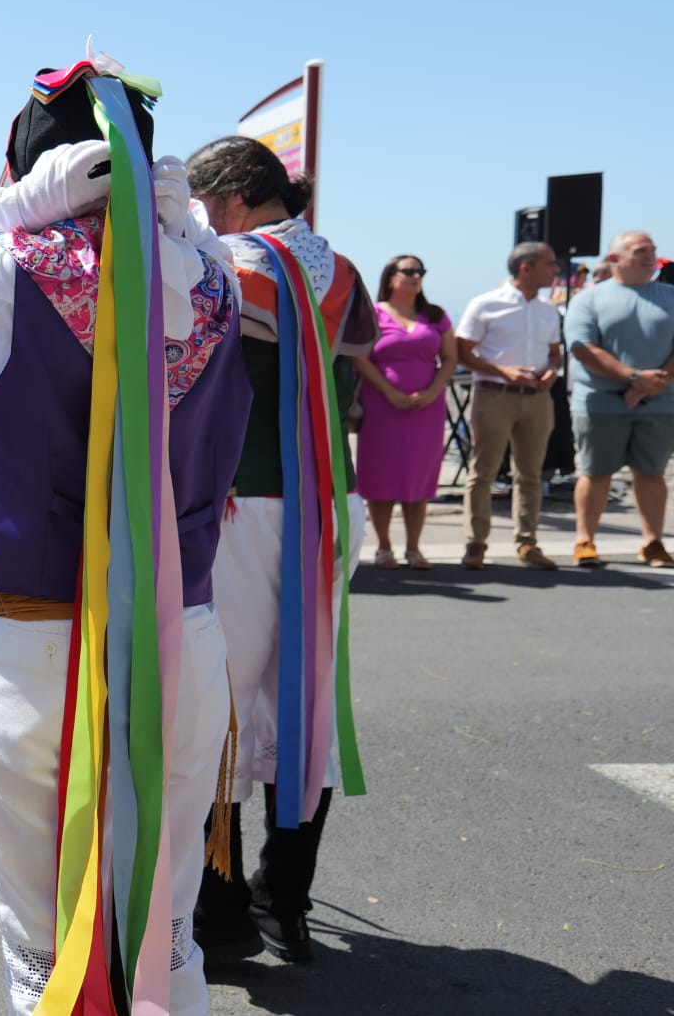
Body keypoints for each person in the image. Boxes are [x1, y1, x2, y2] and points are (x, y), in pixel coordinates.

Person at [0, 59, 249, 1014]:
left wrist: (19, 206)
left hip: (34, 646)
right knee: (164, 930)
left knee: (46, 950)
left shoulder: (4, 274)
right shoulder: (212, 281)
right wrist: (179, 217)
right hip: (183, 640)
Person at [184, 135, 376, 965]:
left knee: (215, 700)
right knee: (302, 699)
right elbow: (356, 378)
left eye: (198, 200)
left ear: (229, 196)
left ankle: (222, 909)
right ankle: (284, 897)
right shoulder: (342, 268)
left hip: (238, 506)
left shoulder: (222, 262)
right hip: (326, 506)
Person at [564, 229, 674, 567]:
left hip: (661, 400)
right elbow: (583, 348)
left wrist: (655, 382)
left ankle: (653, 543)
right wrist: (634, 378)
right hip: (601, 401)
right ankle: (585, 541)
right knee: (596, 472)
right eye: (641, 250)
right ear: (614, 259)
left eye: (652, 250)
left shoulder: (671, 295)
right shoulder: (588, 299)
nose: (649, 255)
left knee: (651, 472)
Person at [455, 242, 565, 570]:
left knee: (531, 474)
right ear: (525, 268)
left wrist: (552, 372)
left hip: (537, 399)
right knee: (483, 472)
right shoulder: (486, 304)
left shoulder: (548, 310)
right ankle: (476, 543)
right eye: (550, 264)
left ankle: (527, 542)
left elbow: (554, 353)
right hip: (494, 396)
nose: (556, 270)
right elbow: (464, 353)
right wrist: (502, 371)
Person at [353, 257, 457, 568]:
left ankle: (414, 547)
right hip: (382, 405)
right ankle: (384, 547)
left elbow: (450, 358)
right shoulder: (372, 313)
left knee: (419, 478)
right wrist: (390, 392)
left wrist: (431, 392)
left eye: (420, 272)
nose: (416, 277)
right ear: (390, 277)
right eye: (409, 271)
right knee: (380, 476)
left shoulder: (435, 315)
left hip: (426, 409)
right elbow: (360, 358)